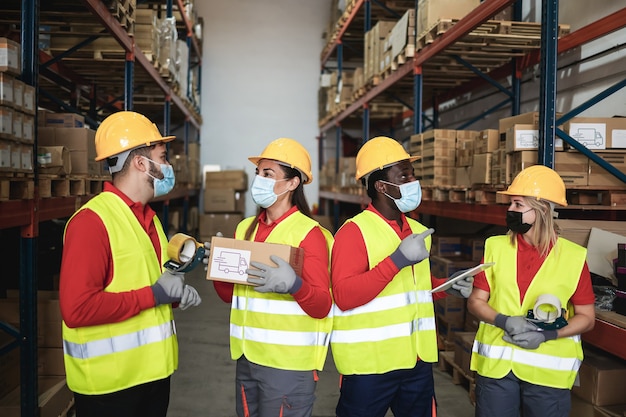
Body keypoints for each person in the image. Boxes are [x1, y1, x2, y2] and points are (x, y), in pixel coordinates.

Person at [59, 111, 202, 417]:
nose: (168, 166)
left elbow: (148, 282)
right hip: (109, 389)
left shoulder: (149, 220)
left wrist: (173, 294)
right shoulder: (91, 222)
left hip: (153, 377)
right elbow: (77, 309)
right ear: (141, 163)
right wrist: (155, 295)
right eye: (162, 157)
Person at [330, 136, 474, 417]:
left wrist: (447, 287)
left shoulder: (418, 230)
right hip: (369, 367)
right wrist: (397, 260)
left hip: (416, 361)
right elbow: (345, 296)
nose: (413, 182)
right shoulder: (353, 232)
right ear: (381, 186)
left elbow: (414, 288)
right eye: (404, 176)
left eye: (413, 175)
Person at [212, 137, 334, 417]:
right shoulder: (245, 228)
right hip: (247, 358)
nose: (260, 181)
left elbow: (321, 305)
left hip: (288, 367)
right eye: (258, 173)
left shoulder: (309, 234)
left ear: (293, 183)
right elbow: (231, 296)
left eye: (268, 174)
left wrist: (294, 284)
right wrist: (218, 268)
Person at [467, 164, 596, 417]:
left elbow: (587, 318)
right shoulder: (495, 247)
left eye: (517, 205)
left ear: (542, 210)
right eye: (511, 204)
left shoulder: (573, 257)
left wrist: (548, 336)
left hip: (548, 374)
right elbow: (475, 301)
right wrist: (503, 320)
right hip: (497, 369)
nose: (510, 210)